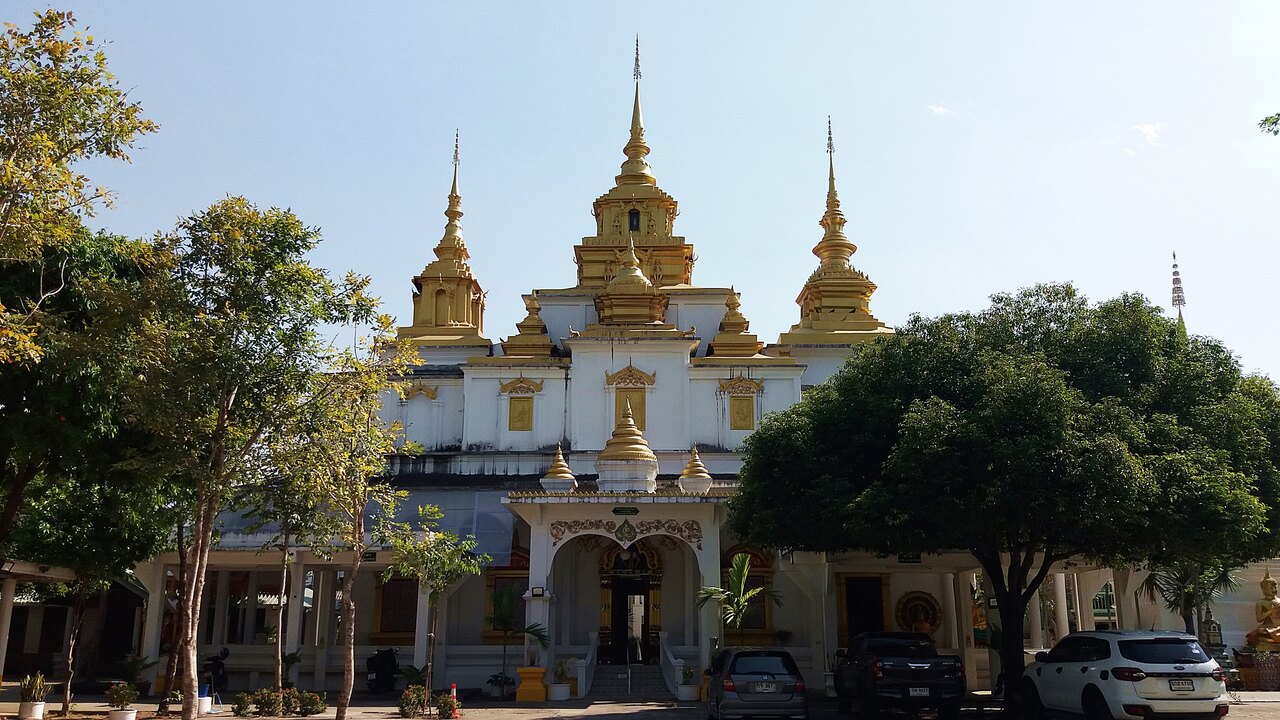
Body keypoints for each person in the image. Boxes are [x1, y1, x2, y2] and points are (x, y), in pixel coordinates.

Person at [1246, 570, 1280, 649]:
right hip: (1268, 626)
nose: (1274, 589)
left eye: (1275, 587)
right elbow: (1259, 619)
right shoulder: (1261, 602)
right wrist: (1270, 611)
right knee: (1260, 632)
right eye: (1271, 588)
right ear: (1264, 589)